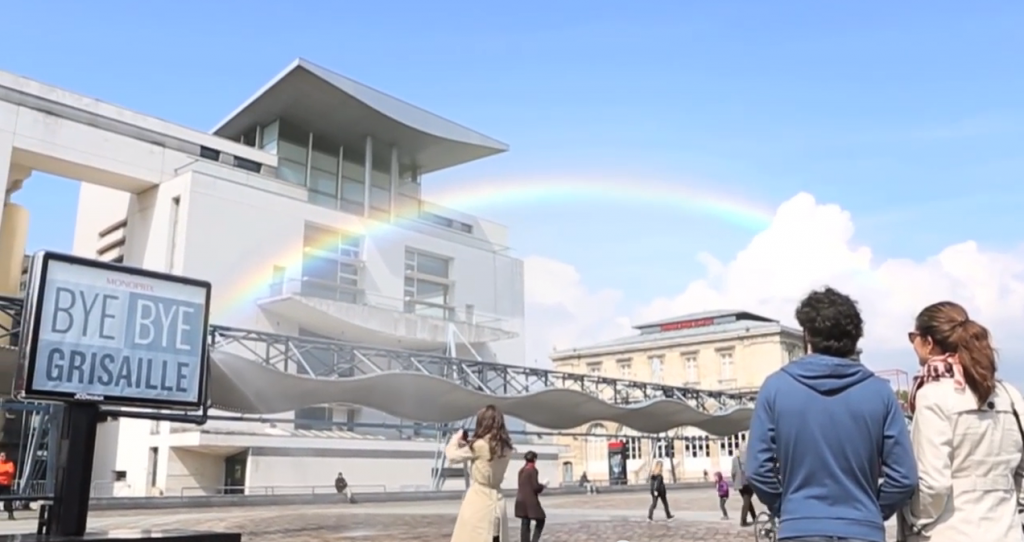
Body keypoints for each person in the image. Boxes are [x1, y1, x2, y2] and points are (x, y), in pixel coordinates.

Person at [747, 286, 918, 542]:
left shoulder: (775, 388)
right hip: (863, 528)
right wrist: (872, 511)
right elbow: (904, 477)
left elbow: (758, 470)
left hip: (800, 528)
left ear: (807, 334)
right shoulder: (880, 393)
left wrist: (788, 509)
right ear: (855, 338)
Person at [900, 302, 1024, 542]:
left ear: (928, 343)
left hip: (950, 531)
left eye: (913, 337)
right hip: (1007, 531)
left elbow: (933, 485)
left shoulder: (932, 395)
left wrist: (914, 519)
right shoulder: (1008, 394)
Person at [446, 405, 514, 542]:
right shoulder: (506, 448)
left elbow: (451, 456)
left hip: (479, 502)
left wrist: (455, 439)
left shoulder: (480, 445)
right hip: (498, 501)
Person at [514, 451, 547, 542]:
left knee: (525, 522)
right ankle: (534, 540)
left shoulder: (521, 470)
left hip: (520, 499)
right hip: (530, 500)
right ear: (534, 459)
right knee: (541, 520)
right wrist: (543, 486)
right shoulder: (533, 470)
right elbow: (535, 487)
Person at [731, 441, 757, 526]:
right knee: (747, 501)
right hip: (749, 482)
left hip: (740, 484)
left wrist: (735, 482)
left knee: (747, 500)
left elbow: (733, 473)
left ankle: (754, 517)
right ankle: (743, 520)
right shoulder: (751, 458)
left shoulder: (735, 459)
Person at [0, 453, 15, 520]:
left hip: (6, 485)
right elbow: (8, 471)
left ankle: (10, 514)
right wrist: (6, 471)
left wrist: (2, 472)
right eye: (1, 456)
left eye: (4, 456)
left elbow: (11, 471)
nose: (3, 457)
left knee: (8, 501)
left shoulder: (10, 463)